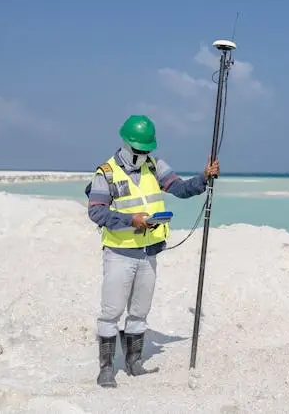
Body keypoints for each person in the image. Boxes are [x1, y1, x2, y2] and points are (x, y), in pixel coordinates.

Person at [86, 114, 219, 388]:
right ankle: (106, 369)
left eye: (147, 150)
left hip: (149, 252)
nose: (143, 154)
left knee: (139, 311)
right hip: (120, 252)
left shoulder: (155, 166)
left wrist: (203, 178)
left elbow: (180, 189)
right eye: (139, 150)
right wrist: (129, 220)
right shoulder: (106, 173)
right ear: (126, 144)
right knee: (111, 312)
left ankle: (134, 362)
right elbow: (96, 212)